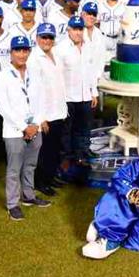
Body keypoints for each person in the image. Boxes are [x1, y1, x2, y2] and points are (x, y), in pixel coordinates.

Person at [0, 35, 52, 221]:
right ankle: (12, 204)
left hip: (35, 128)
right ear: (11, 53)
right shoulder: (3, 76)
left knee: (30, 165)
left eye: (25, 50)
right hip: (14, 131)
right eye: (17, 50)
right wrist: (23, 127)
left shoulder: (34, 73)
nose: (21, 54)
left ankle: (28, 196)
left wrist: (36, 123)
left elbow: (42, 100)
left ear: (29, 52)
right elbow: (4, 108)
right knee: (14, 169)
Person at [55, 16, 99, 175]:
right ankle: (66, 158)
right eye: (75, 29)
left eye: (80, 29)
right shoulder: (60, 49)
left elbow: (91, 71)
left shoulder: (89, 46)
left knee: (84, 128)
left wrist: (94, 92)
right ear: (68, 30)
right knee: (67, 131)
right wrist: (59, 98)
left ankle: (81, 155)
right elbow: (57, 76)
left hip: (85, 95)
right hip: (68, 97)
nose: (78, 32)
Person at [32, 23, 68, 195]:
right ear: (37, 38)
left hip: (58, 110)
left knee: (55, 148)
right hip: (45, 114)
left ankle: (51, 176)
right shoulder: (34, 59)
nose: (47, 40)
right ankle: (41, 182)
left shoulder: (56, 55)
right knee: (44, 151)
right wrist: (40, 118)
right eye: (44, 37)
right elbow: (35, 91)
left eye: (50, 37)